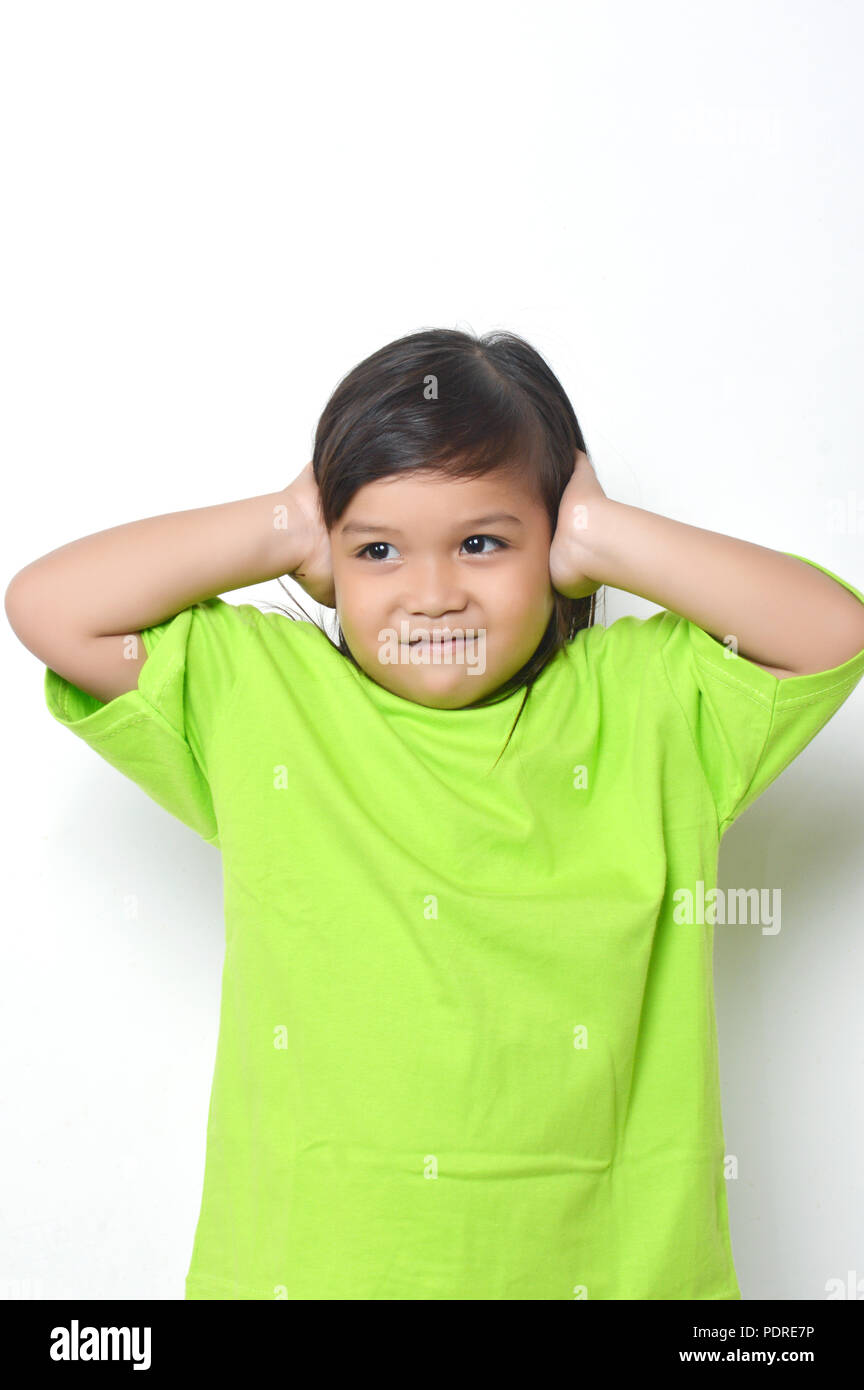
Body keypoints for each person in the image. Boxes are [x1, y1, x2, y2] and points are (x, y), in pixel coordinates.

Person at [7, 327, 864, 1300]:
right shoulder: (265, 698)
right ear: (327, 558)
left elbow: (830, 634)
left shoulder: (653, 702)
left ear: (556, 545)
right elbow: (51, 606)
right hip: (318, 1274)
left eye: (484, 542)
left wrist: (605, 534)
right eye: (376, 548)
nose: (432, 592)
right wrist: (287, 521)